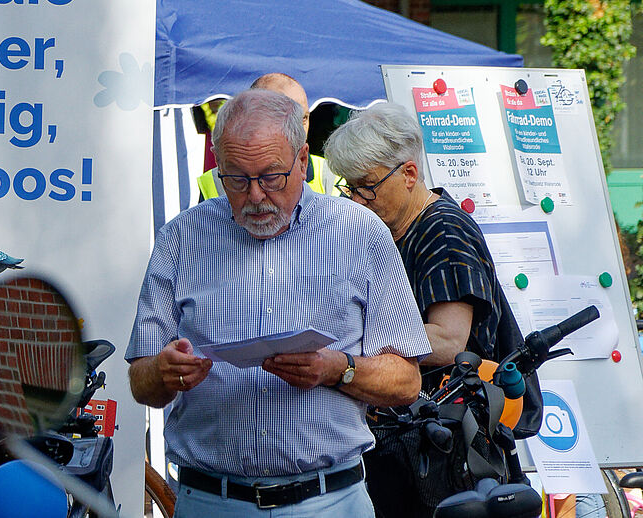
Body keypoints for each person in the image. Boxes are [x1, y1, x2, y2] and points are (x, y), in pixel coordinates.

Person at [127, 88, 430, 517]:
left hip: (329, 501)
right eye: (235, 179)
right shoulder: (181, 239)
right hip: (212, 501)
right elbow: (140, 383)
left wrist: (338, 369)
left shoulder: (360, 234)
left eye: (271, 177)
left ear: (303, 161)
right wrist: (163, 371)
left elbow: (406, 382)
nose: (255, 196)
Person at [323, 103, 542, 517]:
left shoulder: (442, 231)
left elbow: (448, 340)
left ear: (409, 174)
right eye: (348, 186)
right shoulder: (389, 232)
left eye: (367, 186)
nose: (355, 198)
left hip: (454, 450)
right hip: (426, 442)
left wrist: (351, 348)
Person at [196, 73, 341, 200]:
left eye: (303, 119)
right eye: (286, 120)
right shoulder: (213, 182)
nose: (298, 131)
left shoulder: (331, 175)